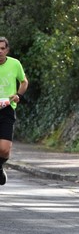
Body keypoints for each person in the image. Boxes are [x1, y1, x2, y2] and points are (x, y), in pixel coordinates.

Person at [0, 37, 29, 185]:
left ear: (7, 50)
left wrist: (18, 95)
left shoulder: (14, 64)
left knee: (4, 150)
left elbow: (24, 82)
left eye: (2, 48)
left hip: (7, 109)